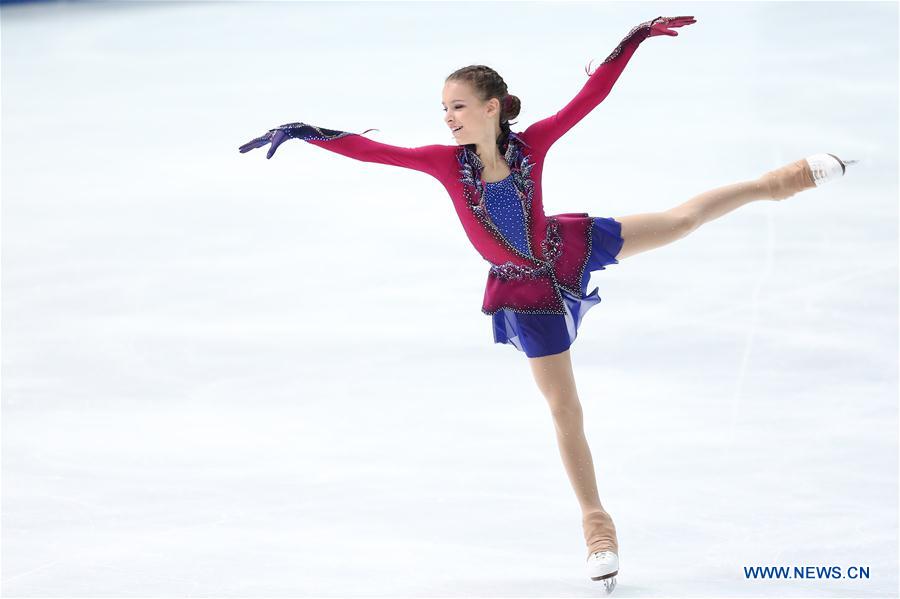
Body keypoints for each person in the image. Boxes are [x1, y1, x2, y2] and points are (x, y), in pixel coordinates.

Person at [239, 15, 855, 590]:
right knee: (566, 408)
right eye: (443, 109)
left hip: (567, 245)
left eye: (457, 106)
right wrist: (305, 132)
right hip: (525, 291)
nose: (448, 118)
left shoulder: (531, 145)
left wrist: (633, 40)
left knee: (681, 220)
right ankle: (596, 526)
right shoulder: (444, 165)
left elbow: (589, 100)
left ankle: (786, 179)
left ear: (490, 108)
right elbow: (374, 152)